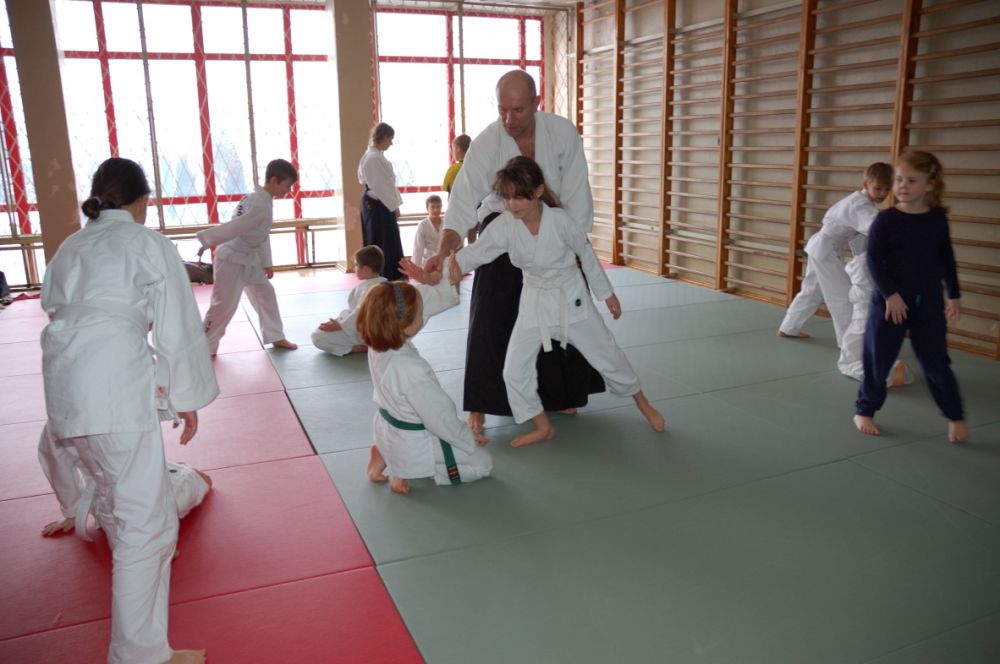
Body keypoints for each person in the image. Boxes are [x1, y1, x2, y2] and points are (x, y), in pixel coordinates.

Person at [39, 157, 218, 664]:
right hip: (114, 386)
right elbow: (177, 327)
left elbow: (56, 306)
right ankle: (140, 654)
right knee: (149, 525)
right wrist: (184, 396)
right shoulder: (147, 243)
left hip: (64, 382)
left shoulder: (71, 246)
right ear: (143, 201)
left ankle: (117, 540)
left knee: (115, 491)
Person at [425, 69, 603, 434]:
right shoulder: (488, 142)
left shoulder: (562, 133)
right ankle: (480, 403)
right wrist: (443, 253)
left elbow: (576, 193)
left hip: (554, 224)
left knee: (563, 308)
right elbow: (462, 203)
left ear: (536, 103)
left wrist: (570, 246)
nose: (509, 119)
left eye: (518, 110)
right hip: (503, 223)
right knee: (490, 311)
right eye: (502, 109)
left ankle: (560, 392)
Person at [452, 156, 664, 447]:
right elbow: (476, 253)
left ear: (538, 191)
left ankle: (644, 405)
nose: (512, 205)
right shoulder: (504, 226)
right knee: (513, 370)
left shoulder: (560, 221)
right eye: (508, 198)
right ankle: (542, 426)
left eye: (519, 197)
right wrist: (441, 270)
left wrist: (607, 294)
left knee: (607, 355)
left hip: (570, 299)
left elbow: (586, 256)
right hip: (534, 302)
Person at [853, 150, 967, 444]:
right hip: (890, 304)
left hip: (927, 302)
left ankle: (954, 415)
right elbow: (874, 261)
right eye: (899, 179)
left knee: (936, 361)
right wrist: (890, 294)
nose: (902, 185)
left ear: (930, 184)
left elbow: (946, 257)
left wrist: (953, 293)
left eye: (911, 180)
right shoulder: (886, 220)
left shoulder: (937, 219)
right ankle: (865, 410)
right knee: (878, 360)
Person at [356, 256, 492, 495]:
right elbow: (439, 415)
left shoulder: (380, 344)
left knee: (421, 417)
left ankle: (386, 453)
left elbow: (411, 306)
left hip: (387, 426)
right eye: (420, 314)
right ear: (404, 323)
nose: (424, 316)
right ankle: (403, 468)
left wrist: (443, 281)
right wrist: (466, 437)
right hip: (411, 439)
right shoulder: (411, 369)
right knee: (482, 464)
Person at [779, 162, 893, 345]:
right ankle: (849, 344)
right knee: (842, 297)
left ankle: (788, 327)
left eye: (887, 189)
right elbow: (876, 229)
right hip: (826, 249)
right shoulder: (860, 206)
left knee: (811, 290)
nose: (882, 194)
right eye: (878, 188)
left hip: (822, 247)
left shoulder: (860, 201)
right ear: (866, 184)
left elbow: (861, 238)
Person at [39, 423, 211, 540]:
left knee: (171, 505)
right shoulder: (57, 424)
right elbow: (58, 469)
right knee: (122, 530)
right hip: (102, 491)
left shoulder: (122, 408)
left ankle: (186, 476)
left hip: (141, 480)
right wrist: (72, 512)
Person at [197, 158, 299, 354]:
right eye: (288, 185)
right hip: (231, 259)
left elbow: (261, 235)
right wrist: (207, 240)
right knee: (224, 305)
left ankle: (275, 335)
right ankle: (204, 345)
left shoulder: (259, 198)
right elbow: (236, 226)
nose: (289, 190)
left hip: (248, 258)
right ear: (274, 180)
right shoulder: (259, 202)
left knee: (266, 295)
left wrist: (267, 263)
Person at [838, 249, 912, 387]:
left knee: (847, 362)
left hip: (864, 309)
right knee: (872, 346)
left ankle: (887, 374)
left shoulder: (868, 259)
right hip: (881, 308)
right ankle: (887, 367)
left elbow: (851, 268)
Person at [311, 245, 387, 356]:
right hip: (372, 331)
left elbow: (360, 313)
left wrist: (341, 325)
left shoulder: (371, 289)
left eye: (356, 265)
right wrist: (339, 321)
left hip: (365, 333)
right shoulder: (383, 284)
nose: (353, 267)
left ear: (366, 269)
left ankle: (353, 348)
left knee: (317, 336)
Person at [359, 122, 405, 281]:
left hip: (381, 203)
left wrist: (395, 204)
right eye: (390, 139)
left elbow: (387, 184)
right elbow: (380, 186)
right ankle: (382, 274)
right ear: (384, 137)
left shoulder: (375, 155)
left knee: (387, 238)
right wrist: (394, 206)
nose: (391, 143)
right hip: (377, 204)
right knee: (380, 239)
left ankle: (389, 273)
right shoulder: (372, 158)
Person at [412, 194, 443, 267]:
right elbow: (418, 248)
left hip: (443, 260)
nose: (436, 210)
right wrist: (415, 267)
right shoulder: (423, 225)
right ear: (427, 209)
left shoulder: (446, 224)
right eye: (432, 207)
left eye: (438, 207)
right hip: (428, 260)